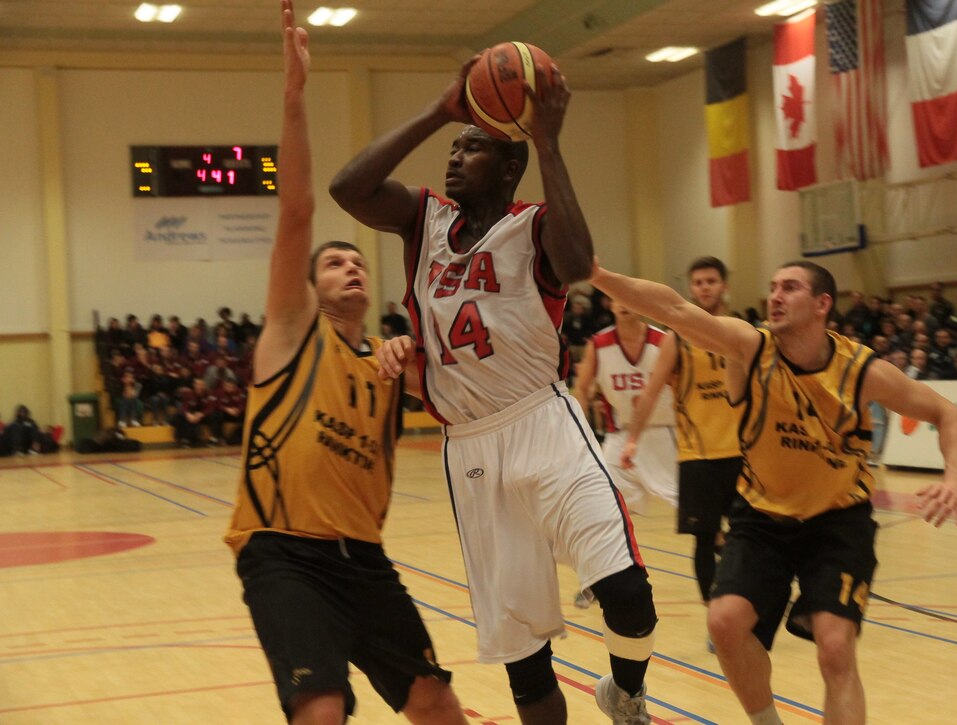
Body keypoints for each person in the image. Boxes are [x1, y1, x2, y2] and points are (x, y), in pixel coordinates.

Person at [329, 51, 658, 725]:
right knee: (524, 657)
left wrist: (548, 140)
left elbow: (574, 264)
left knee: (628, 593)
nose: (455, 156)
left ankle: (625, 688)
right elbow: (348, 188)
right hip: (472, 448)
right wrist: (440, 110)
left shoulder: (535, 225)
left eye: (473, 147)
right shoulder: (425, 223)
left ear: (510, 167)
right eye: (455, 146)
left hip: (546, 424)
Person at [591, 258, 957, 725]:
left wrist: (954, 478)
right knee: (724, 623)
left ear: (822, 305)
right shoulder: (752, 347)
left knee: (835, 649)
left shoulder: (860, 369)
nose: (775, 295)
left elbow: (947, 414)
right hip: (762, 516)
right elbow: (673, 309)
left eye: (790, 288)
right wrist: (598, 275)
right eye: (772, 287)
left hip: (837, 520)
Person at [224, 5, 466, 724]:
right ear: (310, 285)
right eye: (334, 261)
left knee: (438, 703)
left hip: (364, 557)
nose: (349, 266)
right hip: (284, 554)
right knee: (322, 709)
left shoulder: (390, 362)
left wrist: (416, 365)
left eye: (359, 259)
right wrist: (294, 99)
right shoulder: (293, 330)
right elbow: (297, 210)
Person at [619, 256, 744, 626]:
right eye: (699, 282)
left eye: (711, 281)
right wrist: (633, 440)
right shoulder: (678, 340)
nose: (705, 287)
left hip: (744, 456)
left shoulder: (741, 333)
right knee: (704, 541)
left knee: (748, 539)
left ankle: (743, 607)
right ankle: (715, 617)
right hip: (698, 457)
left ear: (724, 286)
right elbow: (652, 390)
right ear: (691, 289)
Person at [572, 297, 678, 517]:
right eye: (616, 300)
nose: (623, 304)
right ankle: (622, 549)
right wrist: (581, 432)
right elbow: (581, 390)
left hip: (664, 432)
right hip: (620, 435)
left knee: (687, 506)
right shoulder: (598, 345)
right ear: (610, 305)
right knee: (604, 502)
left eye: (627, 298)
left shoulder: (663, 341)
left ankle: (714, 542)